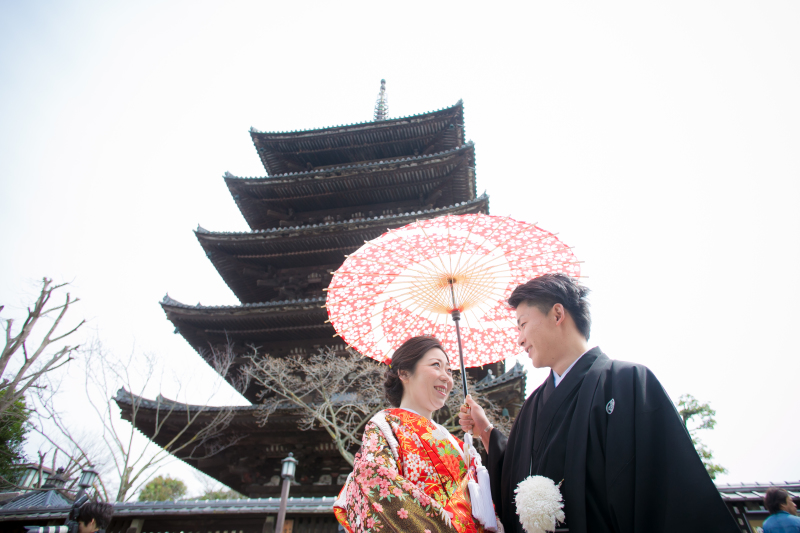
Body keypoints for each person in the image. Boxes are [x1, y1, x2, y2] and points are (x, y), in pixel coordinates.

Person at [459, 273, 739, 533]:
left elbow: (667, 490)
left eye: (522, 324)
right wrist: (485, 429)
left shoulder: (628, 382)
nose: (519, 339)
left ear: (557, 314)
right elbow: (515, 473)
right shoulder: (532, 406)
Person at [334, 335, 491, 533]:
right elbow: (374, 484)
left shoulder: (458, 444)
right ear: (404, 373)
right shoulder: (385, 426)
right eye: (436, 365)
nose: (446, 377)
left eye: (449, 370)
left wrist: (485, 431)